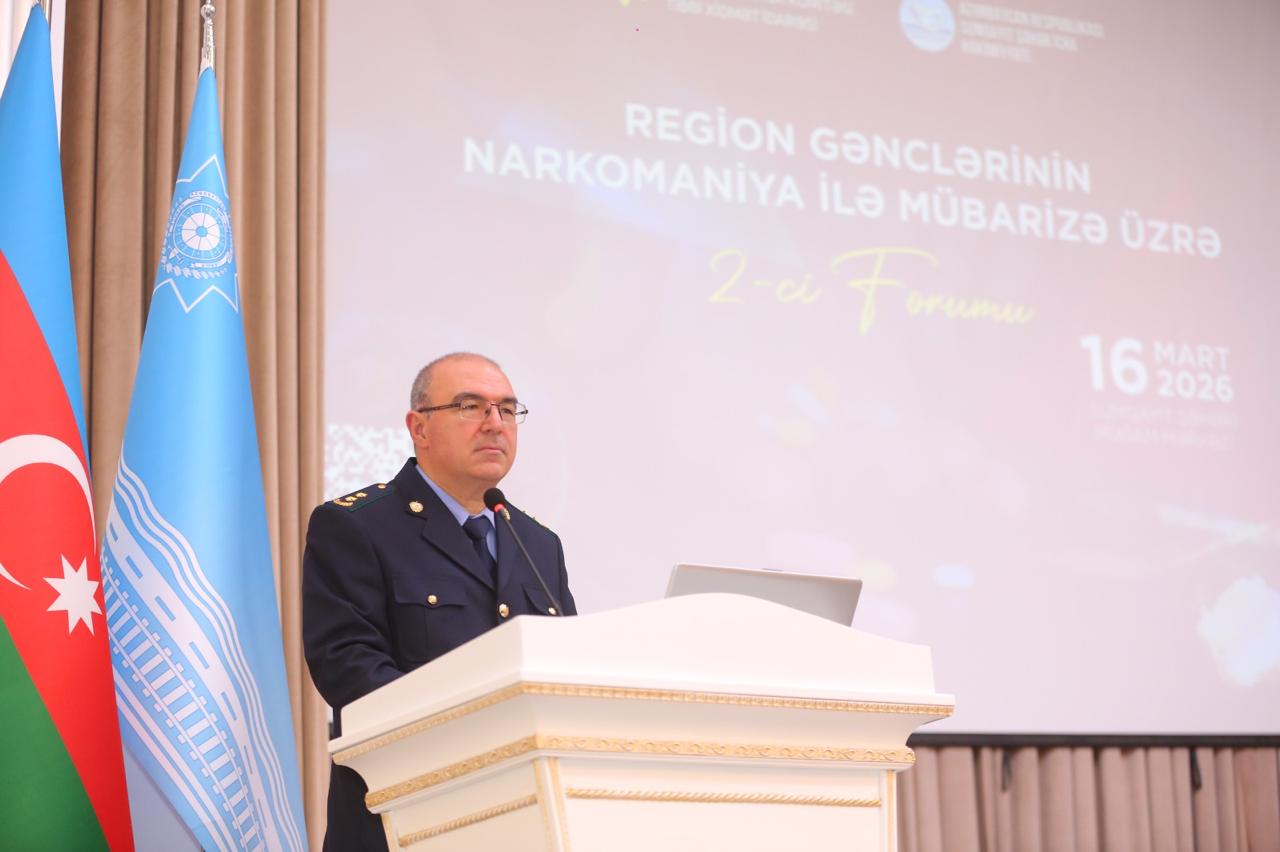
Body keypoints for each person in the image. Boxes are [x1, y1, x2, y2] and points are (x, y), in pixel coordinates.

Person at [303, 353, 576, 851]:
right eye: (471, 406)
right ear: (419, 427)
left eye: (507, 409)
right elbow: (349, 669)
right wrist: (476, 733)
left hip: (521, 819)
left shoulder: (538, 543)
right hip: (404, 818)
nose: (495, 423)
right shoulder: (357, 526)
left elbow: (563, 671)